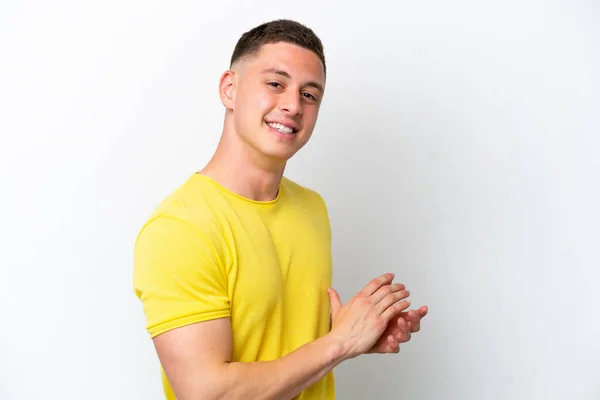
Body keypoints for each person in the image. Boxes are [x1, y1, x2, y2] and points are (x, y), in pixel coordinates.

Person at [133, 19, 428, 400]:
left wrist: (359, 334)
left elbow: (283, 343)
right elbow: (207, 393)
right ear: (229, 89)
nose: (292, 105)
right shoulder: (181, 228)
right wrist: (338, 343)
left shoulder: (311, 208)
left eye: (310, 95)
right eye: (275, 83)